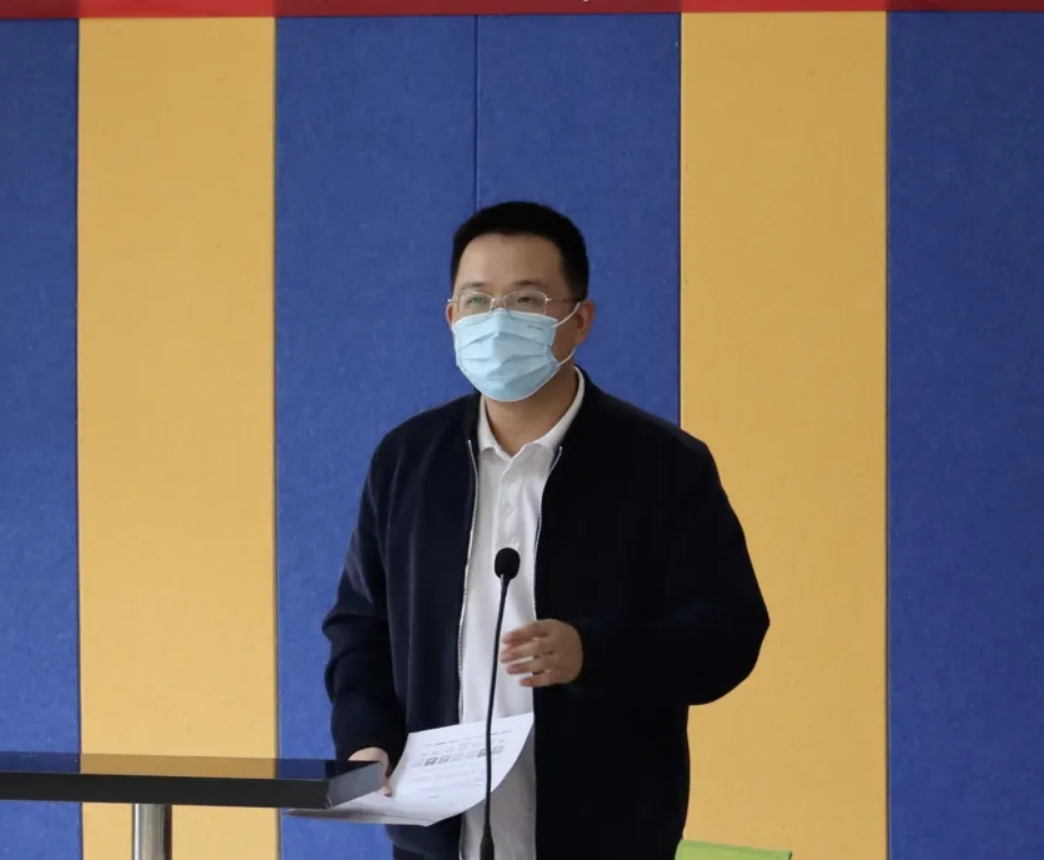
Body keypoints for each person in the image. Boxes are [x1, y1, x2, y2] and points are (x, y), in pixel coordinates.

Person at [322, 201, 770, 860]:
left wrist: (594, 653)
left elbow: (728, 633)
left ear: (579, 320)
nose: (497, 320)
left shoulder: (662, 465)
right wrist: (366, 741)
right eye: (477, 300)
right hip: (437, 838)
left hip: (606, 837)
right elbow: (360, 627)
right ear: (451, 317)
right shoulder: (407, 461)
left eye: (527, 300)